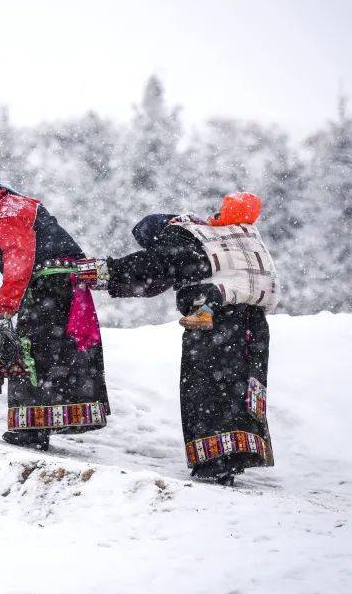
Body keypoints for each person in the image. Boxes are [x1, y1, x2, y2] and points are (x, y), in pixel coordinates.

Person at [84, 192, 277, 485]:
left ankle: (215, 461)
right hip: (255, 324)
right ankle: (238, 454)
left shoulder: (182, 235)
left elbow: (153, 268)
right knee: (243, 386)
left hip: (217, 320)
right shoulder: (234, 236)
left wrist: (104, 273)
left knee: (208, 388)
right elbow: (161, 278)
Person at [0, 175, 108, 450]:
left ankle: (31, 431)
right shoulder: (4, 209)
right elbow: (10, 249)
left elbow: (19, 259)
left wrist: (6, 306)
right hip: (59, 285)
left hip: (50, 287)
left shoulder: (7, 210)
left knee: (30, 355)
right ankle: (41, 424)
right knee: (51, 355)